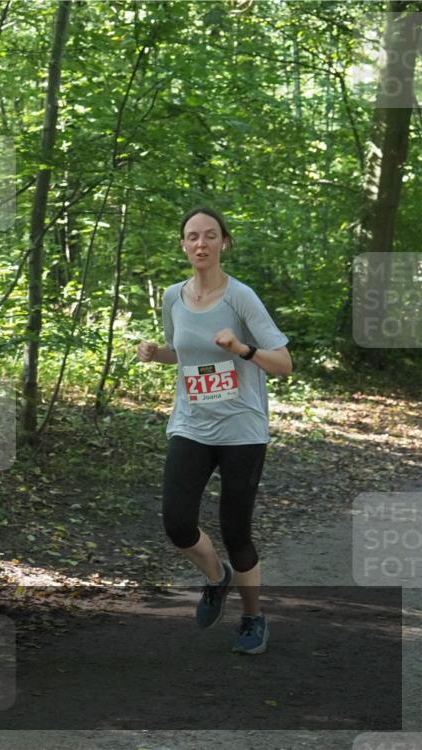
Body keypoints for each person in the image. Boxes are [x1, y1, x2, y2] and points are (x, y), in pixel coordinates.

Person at [136, 207, 292, 654]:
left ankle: (253, 617)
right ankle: (216, 577)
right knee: (177, 522)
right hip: (191, 424)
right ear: (183, 245)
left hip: (242, 429)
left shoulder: (241, 297)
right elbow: (182, 352)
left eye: (210, 235)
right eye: (192, 236)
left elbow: (283, 364)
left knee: (235, 531)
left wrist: (242, 348)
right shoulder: (172, 297)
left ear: (224, 242)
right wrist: (156, 353)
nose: (201, 243)